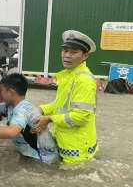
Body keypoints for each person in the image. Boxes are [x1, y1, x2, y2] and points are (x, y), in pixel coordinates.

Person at [31, 30, 98, 164]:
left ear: (85, 56)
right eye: (65, 51)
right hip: (66, 141)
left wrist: (49, 119)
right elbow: (60, 105)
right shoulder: (68, 75)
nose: (67, 55)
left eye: (73, 52)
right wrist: (41, 109)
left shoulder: (83, 79)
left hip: (77, 150)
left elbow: (81, 116)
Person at [0, 73, 59, 164]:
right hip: (31, 153)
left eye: (2, 90)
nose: (0, 94)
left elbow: (11, 132)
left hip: (44, 160)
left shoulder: (22, 109)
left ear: (11, 92)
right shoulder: (10, 106)